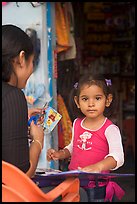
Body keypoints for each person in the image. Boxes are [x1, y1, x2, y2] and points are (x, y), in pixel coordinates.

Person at [47, 73, 125, 202]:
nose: (91, 104)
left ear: (108, 100)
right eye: (85, 99)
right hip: (73, 182)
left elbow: (118, 157)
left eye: (97, 98)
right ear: (77, 102)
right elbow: (73, 147)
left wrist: (98, 167)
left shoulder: (110, 129)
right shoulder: (77, 123)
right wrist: (60, 154)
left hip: (96, 186)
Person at [2, 24, 44, 178]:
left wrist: (18, 118)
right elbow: (20, 174)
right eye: (32, 61)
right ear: (21, 58)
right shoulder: (13, 96)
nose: (32, 69)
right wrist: (38, 142)